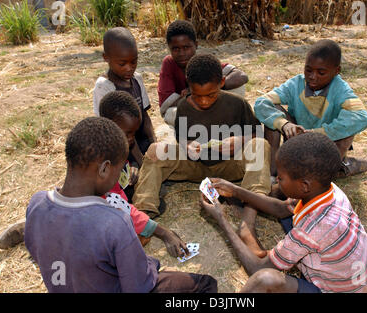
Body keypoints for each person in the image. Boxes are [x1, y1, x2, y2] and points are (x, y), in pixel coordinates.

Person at [24, 116, 217, 293]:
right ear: (105, 169)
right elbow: (139, 286)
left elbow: (38, 252)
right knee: (206, 284)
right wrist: (152, 265)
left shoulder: (36, 203)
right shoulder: (115, 222)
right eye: (119, 170)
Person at [133, 54, 271, 258]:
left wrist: (239, 141)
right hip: (194, 166)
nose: (204, 101)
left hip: (229, 167)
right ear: (188, 87)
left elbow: (255, 133)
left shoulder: (237, 103)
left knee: (260, 146)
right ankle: (143, 219)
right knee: (155, 151)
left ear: (222, 83)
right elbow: (181, 139)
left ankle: (248, 224)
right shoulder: (183, 107)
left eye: (211, 95)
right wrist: (188, 146)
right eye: (197, 95)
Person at [200, 132, 367, 293]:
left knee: (264, 279)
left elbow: (258, 268)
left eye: (281, 177)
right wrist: (236, 190)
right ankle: (250, 229)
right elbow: (281, 209)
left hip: (335, 289)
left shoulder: (314, 227)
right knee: (282, 199)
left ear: (305, 185)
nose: (277, 180)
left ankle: (248, 233)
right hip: (344, 270)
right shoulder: (330, 190)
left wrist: (221, 219)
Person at [254, 39, 367, 178]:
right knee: (274, 113)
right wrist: (284, 124)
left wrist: (318, 133)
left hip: (324, 146)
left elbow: (362, 118)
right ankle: (272, 173)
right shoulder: (296, 84)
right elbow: (261, 102)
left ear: (336, 71)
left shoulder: (341, 90)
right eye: (308, 70)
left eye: (321, 73)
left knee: (348, 129)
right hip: (296, 141)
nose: (312, 77)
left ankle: (331, 171)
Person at [99, 90, 188, 257]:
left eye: (133, 133)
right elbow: (115, 202)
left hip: (115, 200)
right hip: (102, 213)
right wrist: (162, 232)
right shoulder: (101, 162)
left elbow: (119, 195)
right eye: (127, 134)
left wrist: (131, 167)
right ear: (107, 124)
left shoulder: (114, 148)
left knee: (154, 206)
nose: (132, 139)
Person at [158, 19, 249, 126]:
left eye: (186, 47)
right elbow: (165, 105)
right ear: (169, 48)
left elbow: (241, 76)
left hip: (211, 105)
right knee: (171, 114)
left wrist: (208, 90)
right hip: (190, 110)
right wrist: (194, 96)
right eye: (176, 49)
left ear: (196, 45)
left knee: (238, 88)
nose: (181, 53)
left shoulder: (202, 59)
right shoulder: (169, 63)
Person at [93, 27, 156, 170]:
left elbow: (145, 117)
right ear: (106, 58)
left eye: (133, 62)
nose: (129, 68)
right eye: (122, 64)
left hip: (140, 141)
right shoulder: (104, 86)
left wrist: (154, 143)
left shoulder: (137, 79)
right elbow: (118, 132)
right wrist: (141, 161)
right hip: (119, 146)